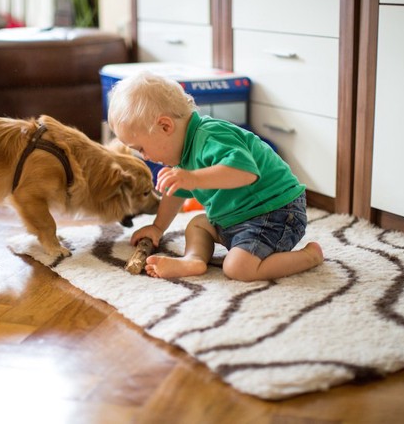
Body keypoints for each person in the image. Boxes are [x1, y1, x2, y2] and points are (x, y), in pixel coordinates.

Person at [107, 72, 323, 282]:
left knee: (237, 268)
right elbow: (175, 194)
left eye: (142, 148)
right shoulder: (183, 154)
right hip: (236, 218)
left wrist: (193, 179)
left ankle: (308, 257)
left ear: (165, 126)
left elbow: (245, 173)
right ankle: (194, 260)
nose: (145, 157)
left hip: (275, 213)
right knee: (197, 224)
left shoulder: (211, 136)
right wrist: (158, 227)